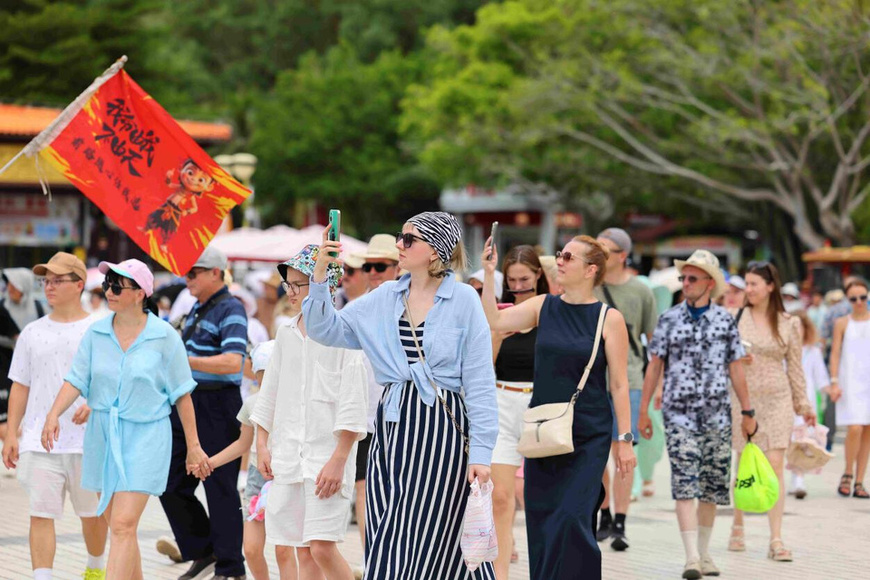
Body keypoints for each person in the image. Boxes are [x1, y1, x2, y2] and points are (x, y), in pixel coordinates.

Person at [304, 212, 498, 580]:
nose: (399, 245)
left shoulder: (463, 300)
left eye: (409, 240)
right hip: (392, 430)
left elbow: (480, 382)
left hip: (443, 433)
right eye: (400, 236)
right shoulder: (383, 298)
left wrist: (483, 454)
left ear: (436, 250)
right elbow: (324, 329)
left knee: (435, 534)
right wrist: (321, 274)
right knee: (388, 527)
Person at [40, 259, 206, 580]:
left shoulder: (164, 337)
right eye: (107, 285)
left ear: (140, 293)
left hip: (147, 436)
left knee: (123, 524)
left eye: (117, 286)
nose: (109, 291)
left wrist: (194, 447)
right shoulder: (97, 332)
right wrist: (52, 415)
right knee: (118, 529)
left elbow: (182, 394)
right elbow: (76, 379)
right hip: (102, 434)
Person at [482, 234, 636, 580]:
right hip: (543, 431)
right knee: (543, 517)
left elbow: (620, 384)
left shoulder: (608, 319)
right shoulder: (543, 307)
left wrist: (624, 439)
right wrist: (489, 271)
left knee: (573, 516)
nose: (560, 261)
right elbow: (496, 321)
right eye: (560, 255)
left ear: (591, 269)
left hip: (588, 434)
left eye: (568, 256)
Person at [638, 249, 758, 580]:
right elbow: (654, 367)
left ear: (709, 283)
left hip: (718, 417)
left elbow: (736, 369)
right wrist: (643, 412)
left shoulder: (724, 320)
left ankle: (705, 553)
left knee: (711, 488)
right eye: (683, 278)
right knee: (684, 484)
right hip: (678, 416)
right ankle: (690, 557)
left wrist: (747, 411)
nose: (686, 283)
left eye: (692, 278)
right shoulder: (668, 319)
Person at [251, 245, 368, 580]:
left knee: (321, 546)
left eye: (298, 285)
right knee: (302, 550)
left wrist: (339, 458)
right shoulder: (285, 332)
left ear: (323, 285)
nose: (290, 292)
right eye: (288, 285)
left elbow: (353, 402)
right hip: (288, 457)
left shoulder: (345, 332)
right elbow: (269, 391)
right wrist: (262, 444)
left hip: (326, 459)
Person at [3, 253, 108, 580]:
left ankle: (95, 567)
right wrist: (11, 433)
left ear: (79, 285)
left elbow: (112, 376)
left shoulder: (100, 328)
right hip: (39, 439)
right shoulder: (33, 331)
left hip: (87, 440)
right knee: (40, 514)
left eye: (57, 280)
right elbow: (20, 384)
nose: (49, 286)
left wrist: (96, 402)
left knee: (91, 515)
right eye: (45, 280)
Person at [158, 245, 248, 580]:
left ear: (215, 273)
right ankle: (205, 550)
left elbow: (233, 362)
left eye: (194, 272)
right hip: (187, 402)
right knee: (169, 483)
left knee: (219, 486)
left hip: (217, 403)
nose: (187, 277)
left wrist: (184, 360)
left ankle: (230, 567)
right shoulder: (197, 308)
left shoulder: (231, 308)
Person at [729, 261, 814, 562]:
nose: (748, 289)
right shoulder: (735, 318)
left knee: (775, 465)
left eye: (753, 284)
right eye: (746, 284)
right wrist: (737, 359)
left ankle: (776, 538)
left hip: (778, 398)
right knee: (744, 462)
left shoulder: (788, 322)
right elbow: (722, 358)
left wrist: (803, 405)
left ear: (770, 287)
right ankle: (737, 522)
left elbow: (796, 368)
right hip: (744, 398)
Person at [593, 227, 657, 551]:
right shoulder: (589, 285)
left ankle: (620, 522)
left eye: (605, 249)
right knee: (596, 453)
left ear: (621, 255)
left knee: (624, 452)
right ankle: (603, 511)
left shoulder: (640, 291)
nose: (599, 254)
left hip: (629, 379)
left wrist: (655, 389)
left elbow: (652, 340)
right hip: (592, 380)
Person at [488, 245, 548, 579]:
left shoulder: (551, 314)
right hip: (501, 401)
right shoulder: (499, 312)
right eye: (512, 281)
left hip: (539, 408)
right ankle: (499, 574)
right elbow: (483, 368)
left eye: (524, 279)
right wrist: (497, 335)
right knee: (501, 497)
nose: (519, 287)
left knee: (538, 498)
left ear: (539, 276)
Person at [200, 340, 275, 580]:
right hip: (256, 478)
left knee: (286, 550)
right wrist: (210, 462)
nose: (264, 380)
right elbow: (242, 444)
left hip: (287, 475)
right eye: (260, 375)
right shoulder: (252, 403)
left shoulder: (296, 404)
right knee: (251, 549)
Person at [828, 278, 870, 499]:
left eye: (863, 297)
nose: (859, 302)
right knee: (854, 428)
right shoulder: (842, 323)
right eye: (854, 298)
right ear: (848, 300)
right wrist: (834, 381)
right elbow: (835, 353)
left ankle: (860, 480)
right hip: (850, 381)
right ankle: (847, 473)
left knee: (867, 430)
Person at [790, 310, 831, 499]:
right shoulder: (784, 351)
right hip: (785, 402)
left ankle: (798, 479)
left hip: (806, 404)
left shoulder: (813, 352)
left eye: (799, 327)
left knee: (802, 442)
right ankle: (788, 479)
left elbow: (821, 378)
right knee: (786, 443)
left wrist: (831, 391)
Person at [2, 268, 46, 442]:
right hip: (5, 364)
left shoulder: (36, 306)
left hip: (33, 365)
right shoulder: (2, 307)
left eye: (16, 287)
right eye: (9, 286)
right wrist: (15, 342)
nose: (11, 290)